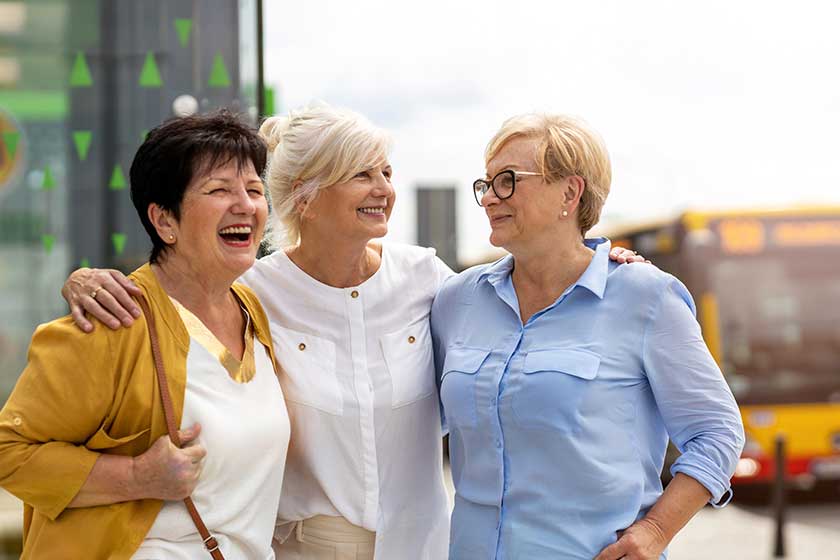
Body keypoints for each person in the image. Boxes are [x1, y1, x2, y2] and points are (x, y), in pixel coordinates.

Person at [59, 104, 645, 560]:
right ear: (307, 199)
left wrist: (597, 265)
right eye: (361, 174)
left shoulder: (429, 280)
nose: (384, 188)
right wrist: (84, 280)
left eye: (386, 171)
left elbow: (525, 312)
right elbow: (174, 292)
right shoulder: (252, 293)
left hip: (424, 547)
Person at [431, 113, 746, 560]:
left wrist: (656, 531)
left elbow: (717, 431)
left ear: (569, 192)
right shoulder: (456, 299)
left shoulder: (646, 297)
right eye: (486, 184)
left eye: (507, 181)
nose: (489, 199)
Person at [0, 111, 290, 559]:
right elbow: (9, 451)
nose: (245, 205)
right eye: (218, 190)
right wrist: (136, 476)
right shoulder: (111, 321)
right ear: (164, 221)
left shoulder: (252, 309)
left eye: (254, 190)